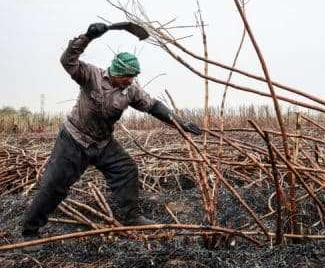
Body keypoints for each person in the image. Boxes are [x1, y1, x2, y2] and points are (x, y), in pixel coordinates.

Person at [22, 23, 202, 243]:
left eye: (133, 76)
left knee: (126, 170)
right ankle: (30, 232)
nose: (130, 80)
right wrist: (87, 37)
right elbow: (67, 61)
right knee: (54, 185)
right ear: (117, 71)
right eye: (127, 76)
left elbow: (153, 105)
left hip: (102, 143)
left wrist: (178, 122)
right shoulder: (92, 76)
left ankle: (131, 217)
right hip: (74, 139)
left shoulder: (130, 90)